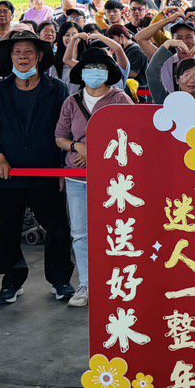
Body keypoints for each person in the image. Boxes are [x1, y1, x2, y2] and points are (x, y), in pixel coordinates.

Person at [0, 31, 73, 306]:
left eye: (28, 52)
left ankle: (60, 279)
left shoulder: (57, 89)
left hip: (48, 173)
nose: (23, 57)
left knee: (57, 229)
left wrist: (62, 169)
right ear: (10, 57)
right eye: (17, 52)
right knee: (9, 231)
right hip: (9, 174)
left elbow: (65, 128)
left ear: (39, 56)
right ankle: (11, 281)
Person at [56, 43, 134, 309]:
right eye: (88, 67)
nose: (94, 72)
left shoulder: (120, 99)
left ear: (109, 71)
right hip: (77, 177)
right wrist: (76, 147)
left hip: (113, 179)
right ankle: (86, 283)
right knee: (80, 233)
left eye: (99, 67)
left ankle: (115, 281)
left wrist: (96, 151)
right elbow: (60, 137)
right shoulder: (71, 102)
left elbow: (132, 135)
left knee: (114, 230)